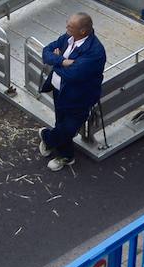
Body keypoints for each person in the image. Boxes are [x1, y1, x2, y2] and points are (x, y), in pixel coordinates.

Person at [39, 13, 106, 172]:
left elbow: (74, 75)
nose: (66, 27)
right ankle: (67, 156)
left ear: (83, 31)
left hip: (79, 97)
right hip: (59, 90)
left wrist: (55, 62)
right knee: (61, 123)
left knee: (69, 128)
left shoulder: (95, 52)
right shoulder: (68, 37)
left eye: (70, 26)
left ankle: (48, 138)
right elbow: (45, 52)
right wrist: (62, 61)